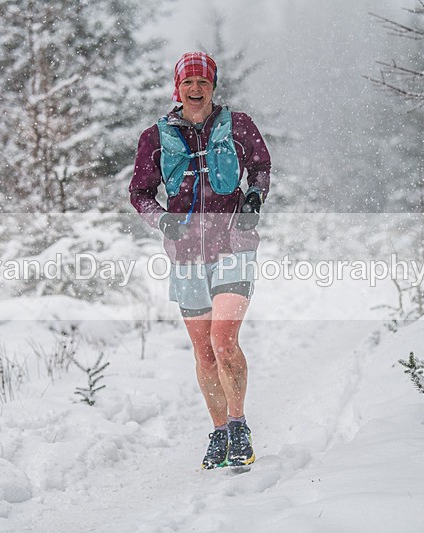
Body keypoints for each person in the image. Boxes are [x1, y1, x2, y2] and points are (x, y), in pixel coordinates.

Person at [129, 52, 271, 469]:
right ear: (178, 88)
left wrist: (254, 196)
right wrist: (161, 220)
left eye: (202, 83)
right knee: (204, 352)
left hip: (234, 246)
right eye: (188, 83)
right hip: (187, 254)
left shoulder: (239, 125)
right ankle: (219, 432)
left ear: (213, 86)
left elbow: (261, 168)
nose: (195, 90)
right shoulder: (155, 137)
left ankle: (238, 423)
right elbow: (139, 193)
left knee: (223, 342)